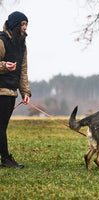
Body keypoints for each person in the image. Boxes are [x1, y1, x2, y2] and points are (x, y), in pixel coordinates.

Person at [0, 11, 31, 168]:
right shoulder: (1, 41)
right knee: (1, 127)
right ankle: (5, 159)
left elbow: (23, 72)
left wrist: (25, 93)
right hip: (1, 91)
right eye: (22, 24)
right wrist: (4, 66)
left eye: (26, 24)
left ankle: (5, 159)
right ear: (14, 25)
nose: (24, 27)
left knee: (2, 127)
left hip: (11, 92)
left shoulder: (22, 46)